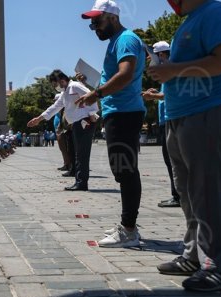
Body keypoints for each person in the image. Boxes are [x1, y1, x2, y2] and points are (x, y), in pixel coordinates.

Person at [148, 0, 221, 291]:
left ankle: (218, 266)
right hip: (182, 115)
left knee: (211, 190)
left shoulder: (215, 12)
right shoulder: (189, 21)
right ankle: (193, 255)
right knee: (188, 191)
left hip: (210, 110)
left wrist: (173, 70)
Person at [77, 0, 146, 247]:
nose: (94, 26)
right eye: (92, 23)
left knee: (125, 170)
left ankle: (128, 230)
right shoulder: (118, 41)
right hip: (121, 111)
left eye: (97, 21)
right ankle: (128, 224)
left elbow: (126, 74)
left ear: (113, 17)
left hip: (125, 112)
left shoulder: (126, 39)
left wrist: (96, 94)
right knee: (123, 169)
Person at [28, 69, 99, 191]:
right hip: (77, 123)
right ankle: (80, 181)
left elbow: (92, 97)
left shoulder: (75, 86)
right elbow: (55, 107)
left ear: (62, 80)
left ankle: (81, 183)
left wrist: (92, 114)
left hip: (84, 122)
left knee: (81, 154)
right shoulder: (65, 92)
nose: (55, 87)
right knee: (78, 153)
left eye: (55, 84)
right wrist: (39, 118)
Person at [141, 41, 180, 208]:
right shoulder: (167, 71)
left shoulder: (171, 69)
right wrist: (156, 93)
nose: (150, 60)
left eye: (152, 56)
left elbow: (173, 93)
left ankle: (179, 196)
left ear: (161, 55)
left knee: (173, 160)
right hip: (166, 120)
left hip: (172, 119)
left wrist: (154, 97)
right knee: (169, 159)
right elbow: (166, 92)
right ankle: (177, 194)